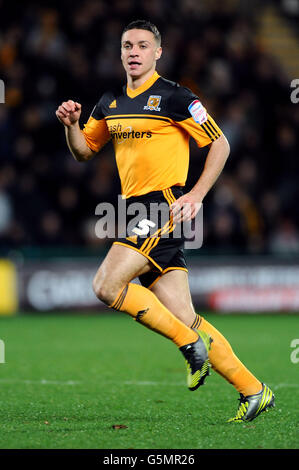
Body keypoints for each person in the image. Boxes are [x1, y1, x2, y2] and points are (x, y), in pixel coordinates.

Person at [56, 20, 275, 422]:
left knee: (106, 285)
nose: (133, 52)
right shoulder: (110, 102)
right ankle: (254, 390)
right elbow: (85, 151)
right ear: (120, 53)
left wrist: (196, 195)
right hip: (134, 209)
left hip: (163, 205)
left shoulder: (176, 97)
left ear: (158, 52)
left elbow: (220, 143)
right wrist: (71, 127)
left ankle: (189, 343)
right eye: (127, 45)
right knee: (185, 315)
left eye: (142, 45)